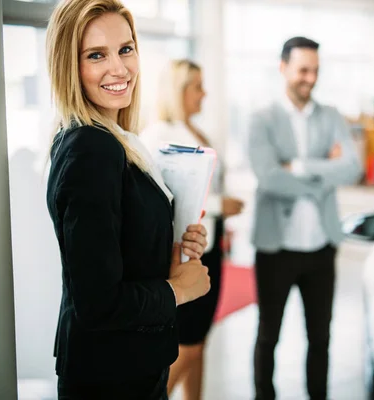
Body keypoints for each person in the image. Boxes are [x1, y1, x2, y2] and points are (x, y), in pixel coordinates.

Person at [44, 1, 212, 399]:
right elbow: (98, 302)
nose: (118, 69)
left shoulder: (115, 138)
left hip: (128, 367)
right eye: (96, 55)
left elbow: (119, 248)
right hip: (110, 378)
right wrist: (180, 289)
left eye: (126, 49)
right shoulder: (91, 147)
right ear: (69, 65)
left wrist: (173, 243)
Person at [247, 36, 363, 400]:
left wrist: (299, 166)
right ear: (283, 68)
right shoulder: (261, 119)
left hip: (321, 248)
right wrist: (323, 177)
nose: (310, 78)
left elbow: (353, 167)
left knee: (321, 338)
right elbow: (268, 176)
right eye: (302, 70)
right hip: (276, 248)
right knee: (269, 335)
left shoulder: (331, 116)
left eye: (315, 70)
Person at [140, 59, 244, 400]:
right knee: (189, 345)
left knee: (201, 341)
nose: (204, 93)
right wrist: (218, 206)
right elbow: (164, 195)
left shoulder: (196, 130)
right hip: (182, 252)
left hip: (209, 245)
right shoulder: (158, 135)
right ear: (178, 91)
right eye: (197, 86)